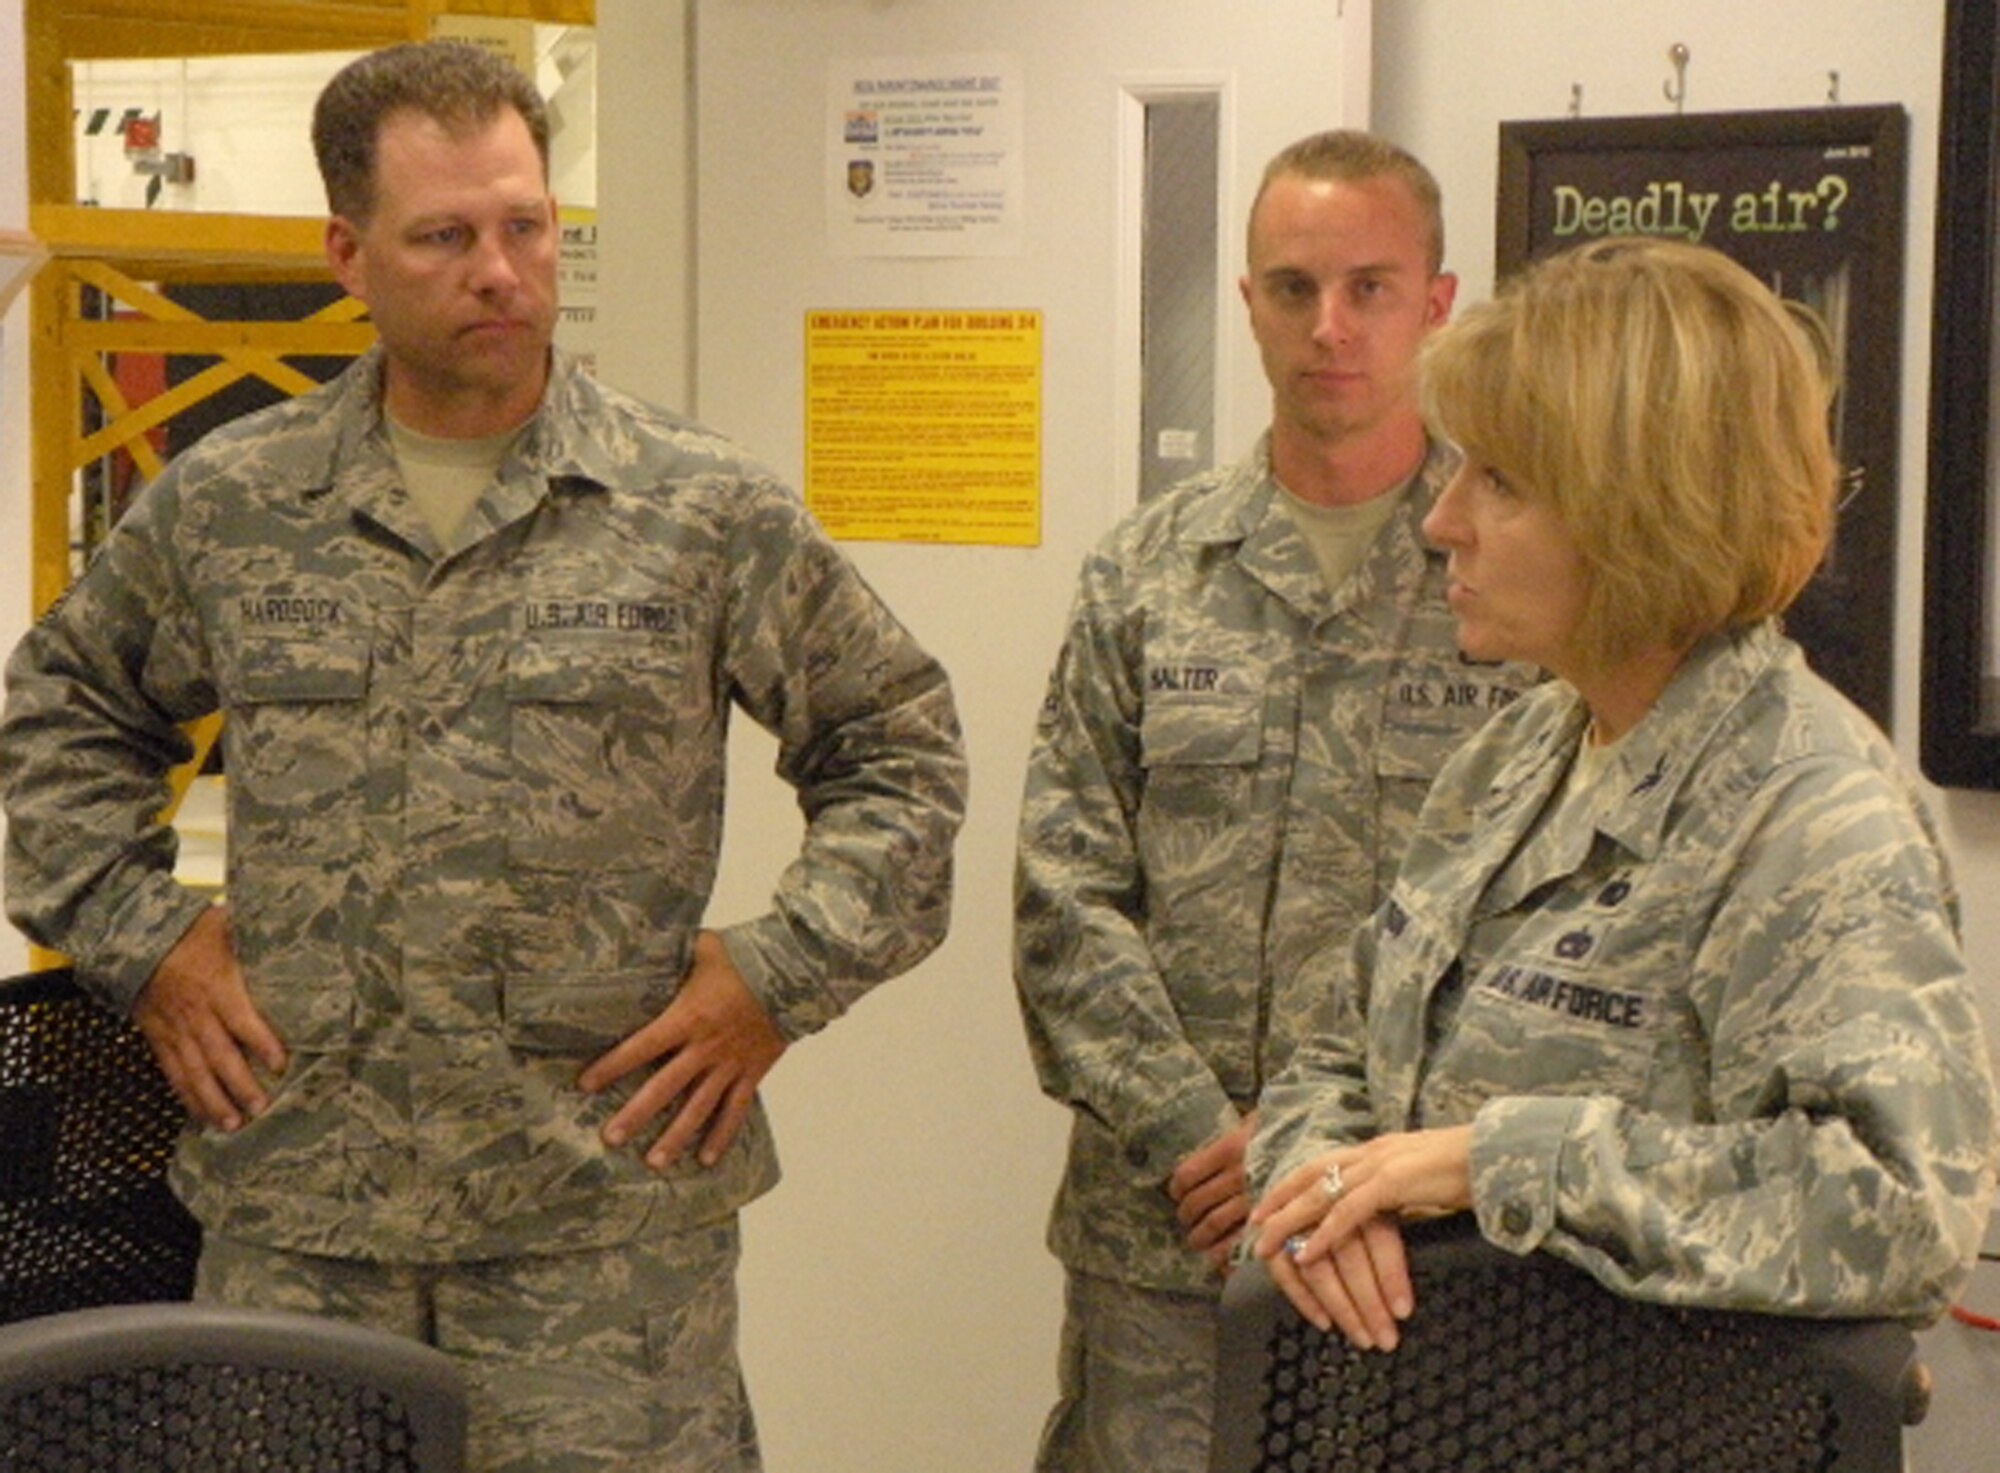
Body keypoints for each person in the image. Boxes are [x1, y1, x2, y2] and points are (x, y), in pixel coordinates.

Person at [0, 41, 966, 1473]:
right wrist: (149, 941)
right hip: (304, 1228)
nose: (501, 271)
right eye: (445, 237)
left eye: (526, 227)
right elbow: (57, 719)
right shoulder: (238, 504)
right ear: (349, 254)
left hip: (600, 1249)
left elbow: (901, 748)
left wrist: (779, 973)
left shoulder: (695, 510)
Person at [1247, 237, 1998, 1352]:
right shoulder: (1515, 757)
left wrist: (1502, 1159)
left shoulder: (1804, 815)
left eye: (1497, 481)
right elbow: (1337, 1045)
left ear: (1639, 516)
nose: (1438, 521)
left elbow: (1897, 1210)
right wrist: (1320, 1184)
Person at [1012, 131, 1537, 1472]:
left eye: (1371, 287)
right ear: (1246, 302)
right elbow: (1064, 897)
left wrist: (1350, 1160)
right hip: (1165, 1235)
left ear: (1437, 302)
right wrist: (1197, 1135)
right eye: (1293, 288)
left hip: (1417, 1254)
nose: (1331, 327)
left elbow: (1551, 921)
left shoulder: (1517, 576)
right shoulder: (1147, 573)